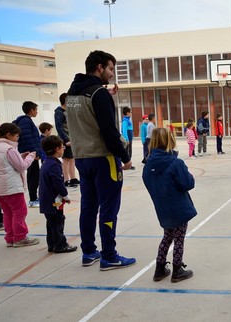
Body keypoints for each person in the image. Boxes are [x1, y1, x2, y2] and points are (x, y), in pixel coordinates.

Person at [65, 50, 135, 270]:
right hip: (103, 159)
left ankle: (88, 251)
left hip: (82, 159)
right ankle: (109, 255)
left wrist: (105, 96)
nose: (112, 74)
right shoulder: (98, 94)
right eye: (111, 68)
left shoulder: (72, 94)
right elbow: (108, 131)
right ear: (99, 67)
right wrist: (125, 157)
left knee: (88, 207)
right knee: (109, 208)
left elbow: (88, 118)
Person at [143, 128, 196, 283]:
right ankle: (177, 269)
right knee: (179, 238)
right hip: (178, 208)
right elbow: (188, 183)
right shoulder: (175, 162)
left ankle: (159, 268)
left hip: (162, 208)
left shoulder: (148, 165)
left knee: (167, 237)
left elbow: (149, 184)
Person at [0, 123, 39, 247]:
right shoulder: (8, 149)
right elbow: (21, 166)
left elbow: (6, 163)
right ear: (8, 135)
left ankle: (10, 237)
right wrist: (31, 157)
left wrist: (21, 156)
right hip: (11, 188)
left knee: (8, 213)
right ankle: (20, 237)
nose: (18, 139)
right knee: (19, 212)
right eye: (16, 136)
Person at [39, 135, 78, 253]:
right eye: (62, 147)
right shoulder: (54, 165)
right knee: (57, 222)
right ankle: (61, 245)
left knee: (51, 223)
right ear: (57, 149)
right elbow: (58, 183)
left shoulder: (47, 162)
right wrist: (66, 196)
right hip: (54, 201)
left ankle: (52, 244)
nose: (63, 149)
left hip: (46, 200)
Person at [13, 101, 43, 207]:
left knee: (34, 175)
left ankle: (34, 197)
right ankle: (33, 199)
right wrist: (35, 153)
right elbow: (28, 138)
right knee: (33, 176)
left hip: (31, 152)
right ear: (31, 110)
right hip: (30, 153)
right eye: (36, 110)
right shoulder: (26, 121)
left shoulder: (27, 121)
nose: (37, 112)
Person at [54, 93, 79, 187]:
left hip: (72, 138)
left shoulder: (69, 110)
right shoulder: (59, 112)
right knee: (66, 160)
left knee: (72, 158)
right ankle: (66, 180)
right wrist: (66, 139)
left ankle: (73, 178)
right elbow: (59, 127)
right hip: (66, 139)